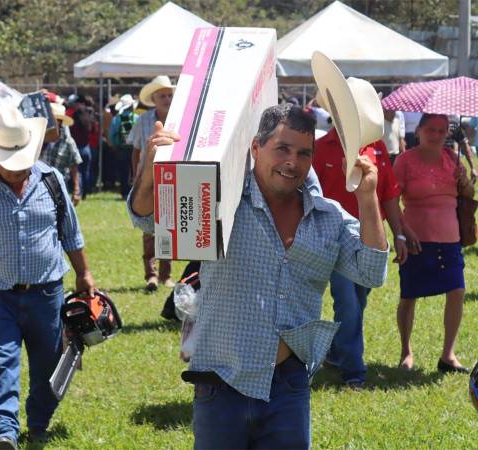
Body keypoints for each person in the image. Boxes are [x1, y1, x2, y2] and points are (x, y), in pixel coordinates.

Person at [128, 104, 388, 449]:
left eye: (303, 153)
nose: (292, 162)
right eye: (282, 148)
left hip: (288, 387)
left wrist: (367, 196)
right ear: (255, 148)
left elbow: (372, 271)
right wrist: (151, 166)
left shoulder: (329, 219)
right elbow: (146, 219)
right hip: (221, 383)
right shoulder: (221, 200)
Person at [0, 106, 96, 449]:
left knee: (48, 363)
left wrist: (84, 272)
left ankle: (39, 420)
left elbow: (70, 233)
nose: (17, 172)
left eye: (21, 164)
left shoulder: (51, 181)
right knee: (2, 362)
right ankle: (4, 431)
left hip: (47, 295)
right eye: (9, 165)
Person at [314, 127, 406, 388]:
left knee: (359, 302)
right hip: (336, 242)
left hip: (370, 241)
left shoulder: (376, 147)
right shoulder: (321, 147)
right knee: (348, 304)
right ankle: (354, 370)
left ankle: (334, 352)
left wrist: (399, 235)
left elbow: (387, 193)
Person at [393, 113, 474, 374]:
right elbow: (391, 201)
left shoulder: (452, 158)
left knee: (457, 291)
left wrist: (465, 183)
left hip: (450, 239)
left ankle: (448, 355)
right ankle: (406, 351)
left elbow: (468, 195)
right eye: (430, 129)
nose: (436, 135)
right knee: (409, 295)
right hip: (417, 238)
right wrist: (403, 233)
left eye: (441, 130)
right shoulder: (405, 160)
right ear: (419, 131)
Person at [128, 75, 175, 291]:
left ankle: (166, 275)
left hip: (171, 179)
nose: (166, 99)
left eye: (169, 95)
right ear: (154, 99)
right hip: (148, 181)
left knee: (168, 226)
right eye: (162, 96)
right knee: (148, 229)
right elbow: (136, 150)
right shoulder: (144, 120)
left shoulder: (179, 118)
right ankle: (151, 275)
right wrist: (137, 177)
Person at [39, 101, 82, 205]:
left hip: (59, 187)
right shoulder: (38, 138)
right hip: (39, 186)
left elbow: (74, 166)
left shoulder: (68, 142)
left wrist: (76, 190)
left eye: (57, 120)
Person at [109, 94, 139, 199]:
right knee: (135, 170)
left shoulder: (116, 119)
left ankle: (124, 193)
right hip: (135, 148)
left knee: (123, 172)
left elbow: (112, 135)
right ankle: (135, 191)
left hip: (121, 149)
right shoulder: (136, 118)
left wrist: (114, 145)